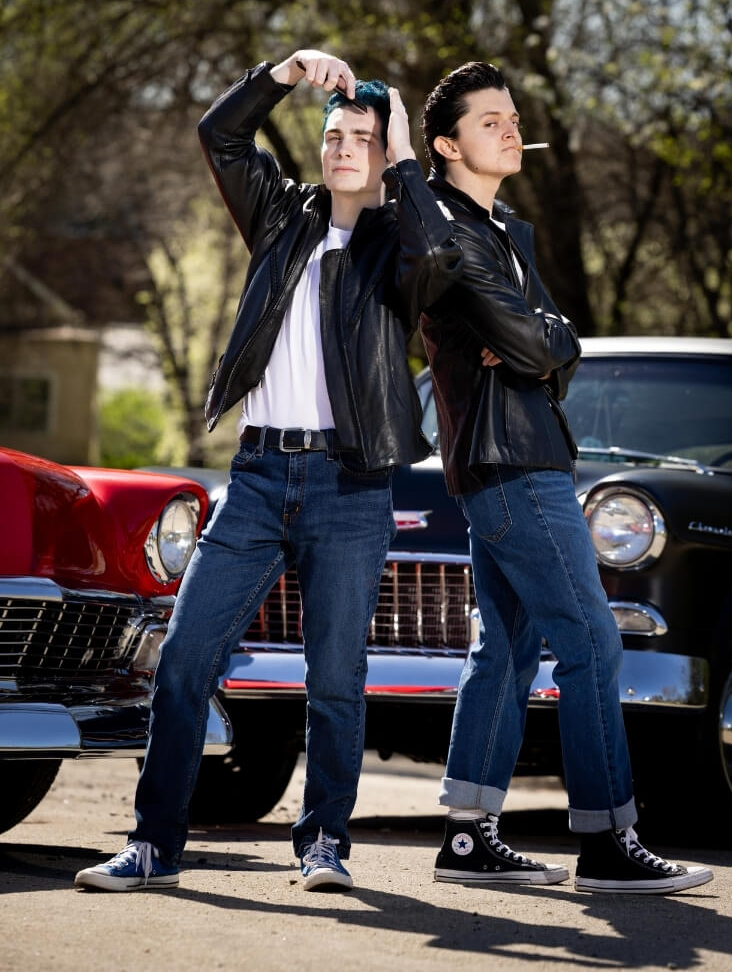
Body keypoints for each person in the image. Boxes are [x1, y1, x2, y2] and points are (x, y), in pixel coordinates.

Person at [75, 50, 462, 893]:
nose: (342, 147)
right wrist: (280, 74)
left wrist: (403, 152)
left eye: (361, 136)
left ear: (383, 146)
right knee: (182, 659)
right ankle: (153, 845)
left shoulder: (399, 244)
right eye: (334, 135)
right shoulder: (281, 218)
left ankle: (323, 844)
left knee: (334, 679)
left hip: (351, 485)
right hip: (254, 478)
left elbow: (441, 258)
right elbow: (219, 134)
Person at [418, 60, 713, 895]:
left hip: (523, 456)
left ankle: (469, 838)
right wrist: (534, 344)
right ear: (445, 145)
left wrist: (537, 342)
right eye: (489, 121)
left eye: (513, 116)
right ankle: (608, 841)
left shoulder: (509, 234)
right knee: (591, 638)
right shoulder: (445, 232)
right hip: (508, 463)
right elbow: (531, 345)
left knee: (506, 649)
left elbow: (556, 343)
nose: (511, 128)